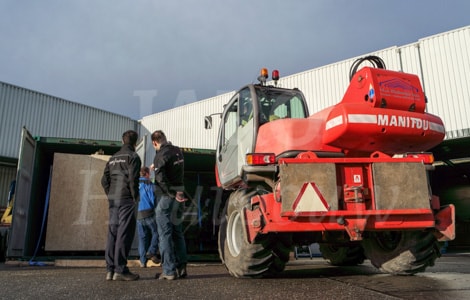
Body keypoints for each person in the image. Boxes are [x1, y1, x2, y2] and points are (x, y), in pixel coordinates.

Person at [101, 130, 142, 281]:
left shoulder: (112, 158)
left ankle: (110, 270)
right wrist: (134, 197)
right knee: (124, 233)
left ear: (122, 141)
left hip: (113, 199)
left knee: (113, 232)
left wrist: (110, 193)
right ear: (135, 143)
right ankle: (120, 269)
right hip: (126, 199)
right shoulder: (133, 157)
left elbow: (104, 180)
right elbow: (133, 179)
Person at [151, 130, 188, 280]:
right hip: (180, 191)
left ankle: (168, 271)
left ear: (155, 142)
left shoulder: (160, 154)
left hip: (168, 197)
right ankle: (182, 267)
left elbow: (160, 178)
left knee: (164, 234)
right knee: (177, 232)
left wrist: (171, 194)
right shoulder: (177, 151)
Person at [137, 167, 160, 268]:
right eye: (149, 173)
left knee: (142, 238)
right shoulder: (149, 184)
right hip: (148, 212)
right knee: (157, 232)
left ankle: (142, 262)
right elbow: (152, 198)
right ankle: (151, 251)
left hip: (138, 214)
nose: (150, 175)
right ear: (146, 173)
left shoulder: (135, 183)